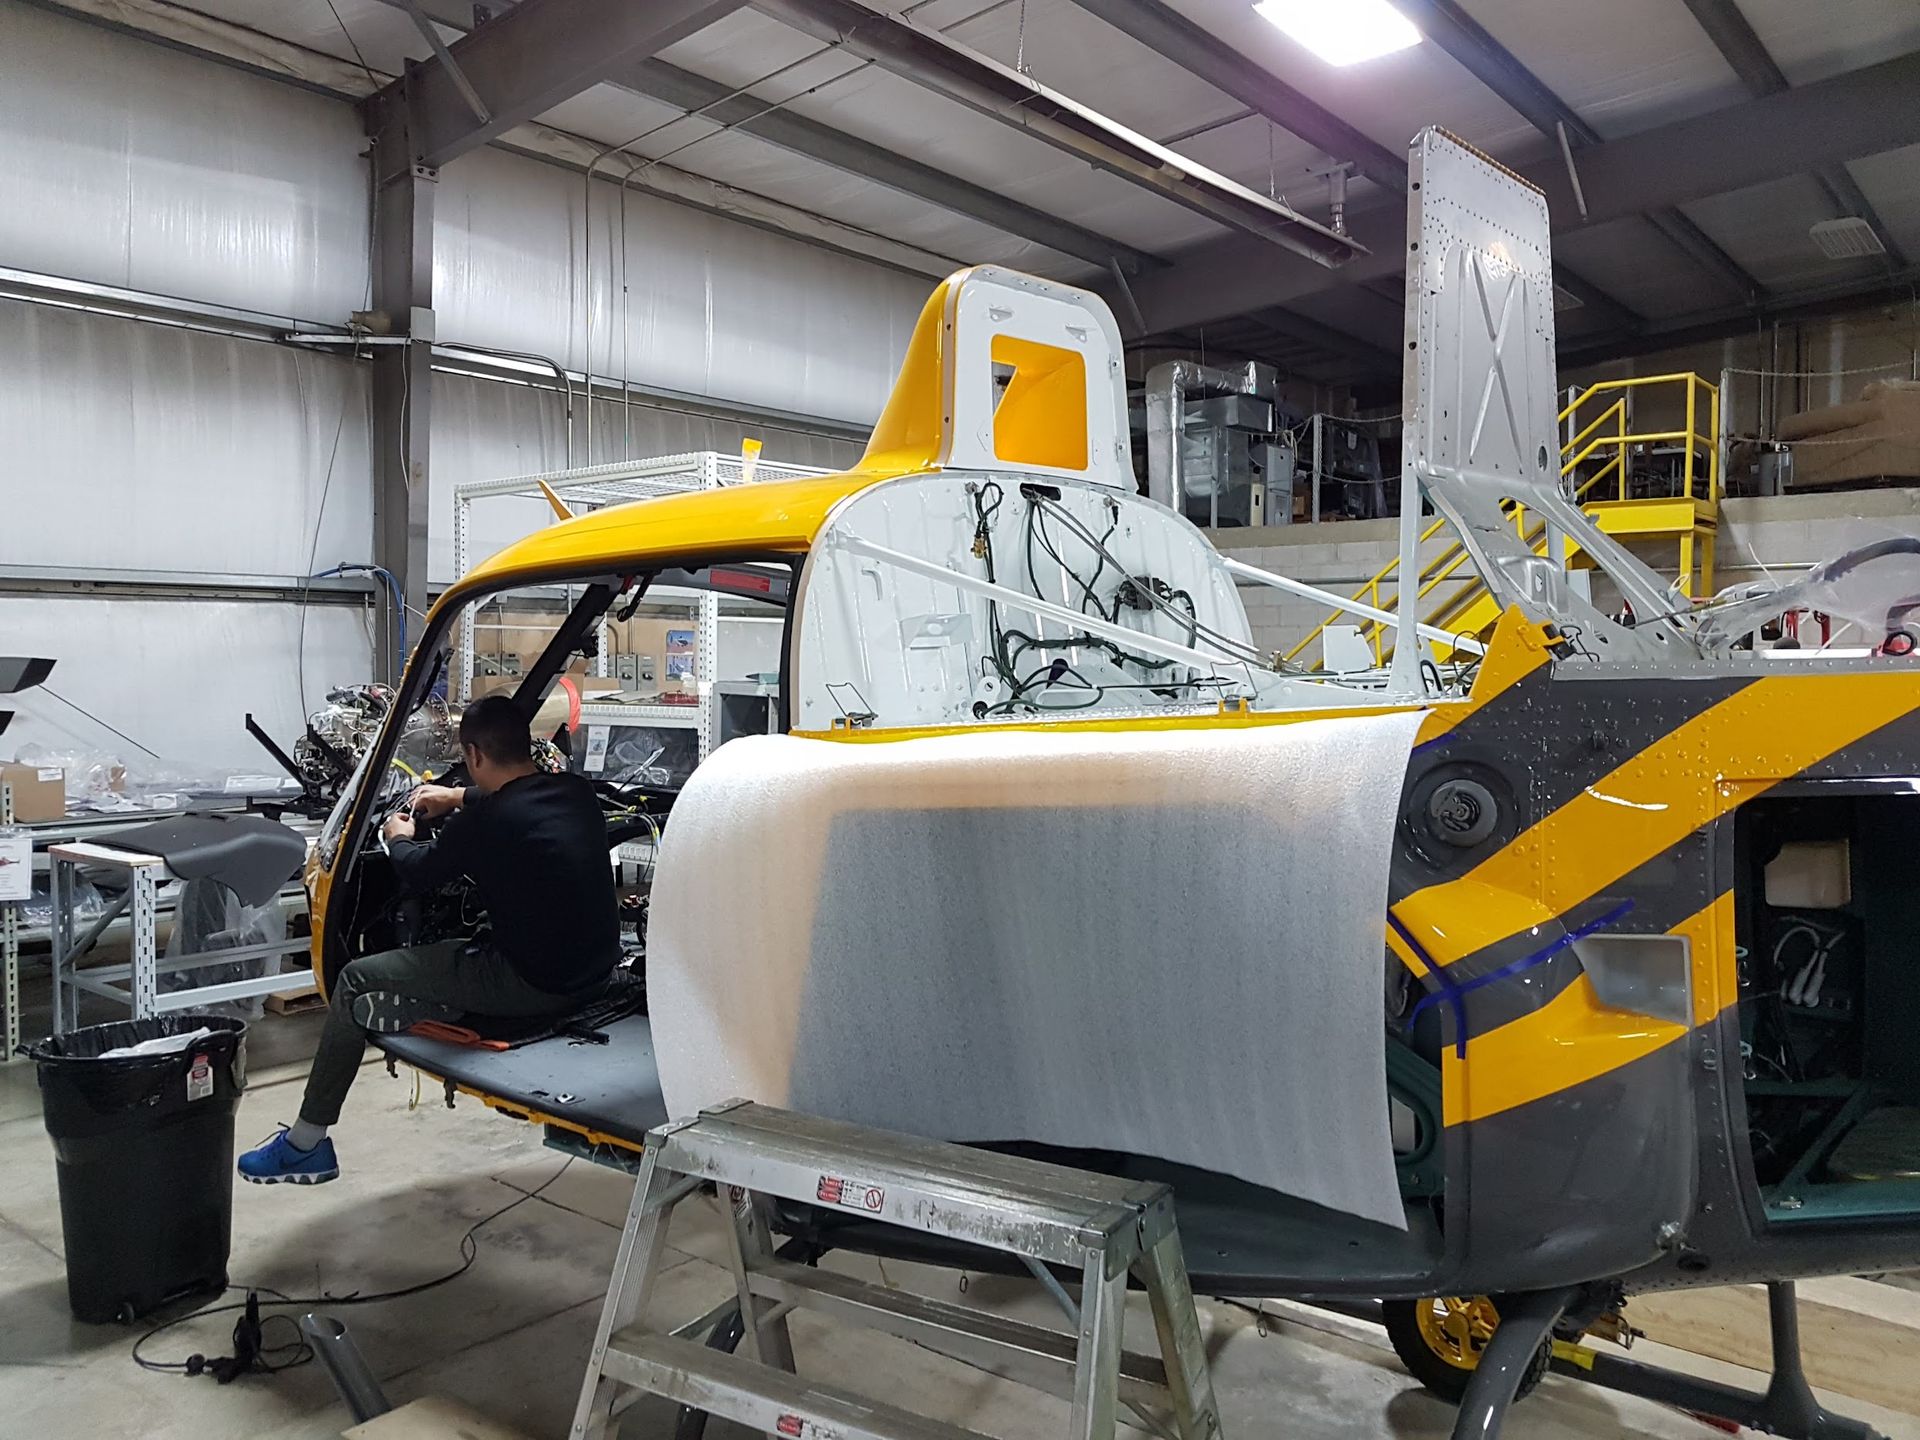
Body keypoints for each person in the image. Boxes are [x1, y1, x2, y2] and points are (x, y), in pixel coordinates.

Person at [239, 694, 619, 1184]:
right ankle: (438, 1005)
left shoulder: (483, 825)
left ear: (474, 756)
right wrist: (456, 796)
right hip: (596, 975)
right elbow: (514, 798)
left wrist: (397, 834)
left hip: (530, 984)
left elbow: (418, 873)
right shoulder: (575, 792)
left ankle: (305, 1144)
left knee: (355, 980)